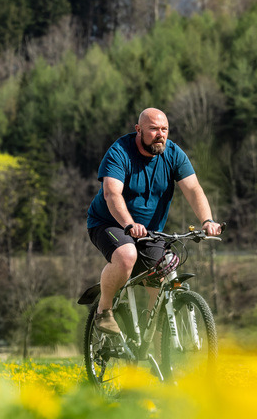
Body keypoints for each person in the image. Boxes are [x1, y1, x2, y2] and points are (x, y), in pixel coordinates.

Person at [86, 107, 221, 335]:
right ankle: (104, 311)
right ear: (138, 130)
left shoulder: (174, 154)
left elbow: (193, 189)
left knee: (164, 273)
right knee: (127, 255)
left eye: (164, 129)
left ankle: (153, 342)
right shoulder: (120, 152)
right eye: (153, 129)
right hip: (109, 223)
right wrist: (129, 224)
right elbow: (112, 194)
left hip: (149, 232)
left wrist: (207, 220)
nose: (160, 134)